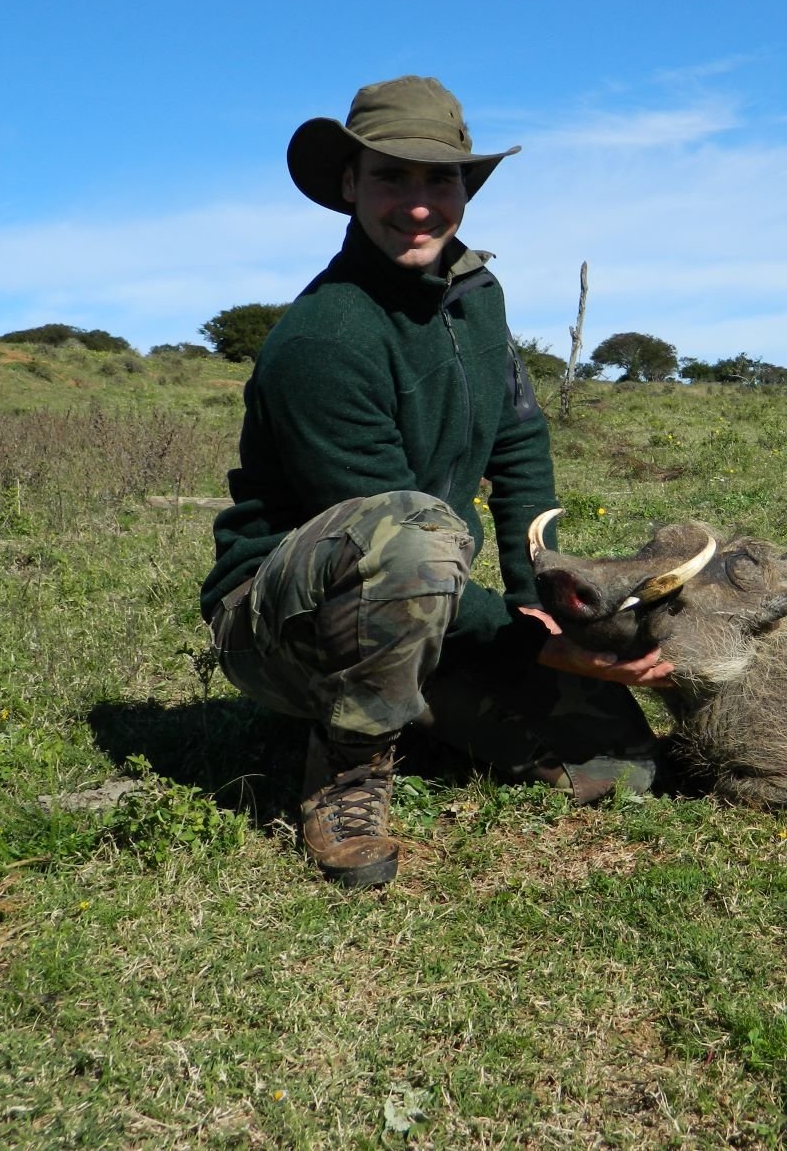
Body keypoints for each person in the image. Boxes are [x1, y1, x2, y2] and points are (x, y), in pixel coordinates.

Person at [200, 76, 671, 888]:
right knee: (415, 532)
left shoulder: (477, 297)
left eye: (439, 179)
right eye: (391, 177)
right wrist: (548, 655)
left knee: (623, 772)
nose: (419, 206)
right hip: (286, 619)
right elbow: (388, 538)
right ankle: (350, 768)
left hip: (420, 595)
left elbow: (520, 440)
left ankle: (411, 703)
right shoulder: (324, 339)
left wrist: (543, 604)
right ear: (348, 185)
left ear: (465, 189)